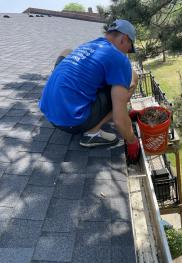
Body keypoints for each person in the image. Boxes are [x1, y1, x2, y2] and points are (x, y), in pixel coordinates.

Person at [39, 19, 140, 162]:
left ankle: (64, 98)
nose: (128, 53)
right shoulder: (118, 58)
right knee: (132, 78)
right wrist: (132, 140)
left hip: (49, 112)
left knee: (67, 52)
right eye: (129, 48)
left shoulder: (89, 45)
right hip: (72, 122)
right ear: (124, 39)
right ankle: (93, 133)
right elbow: (118, 120)